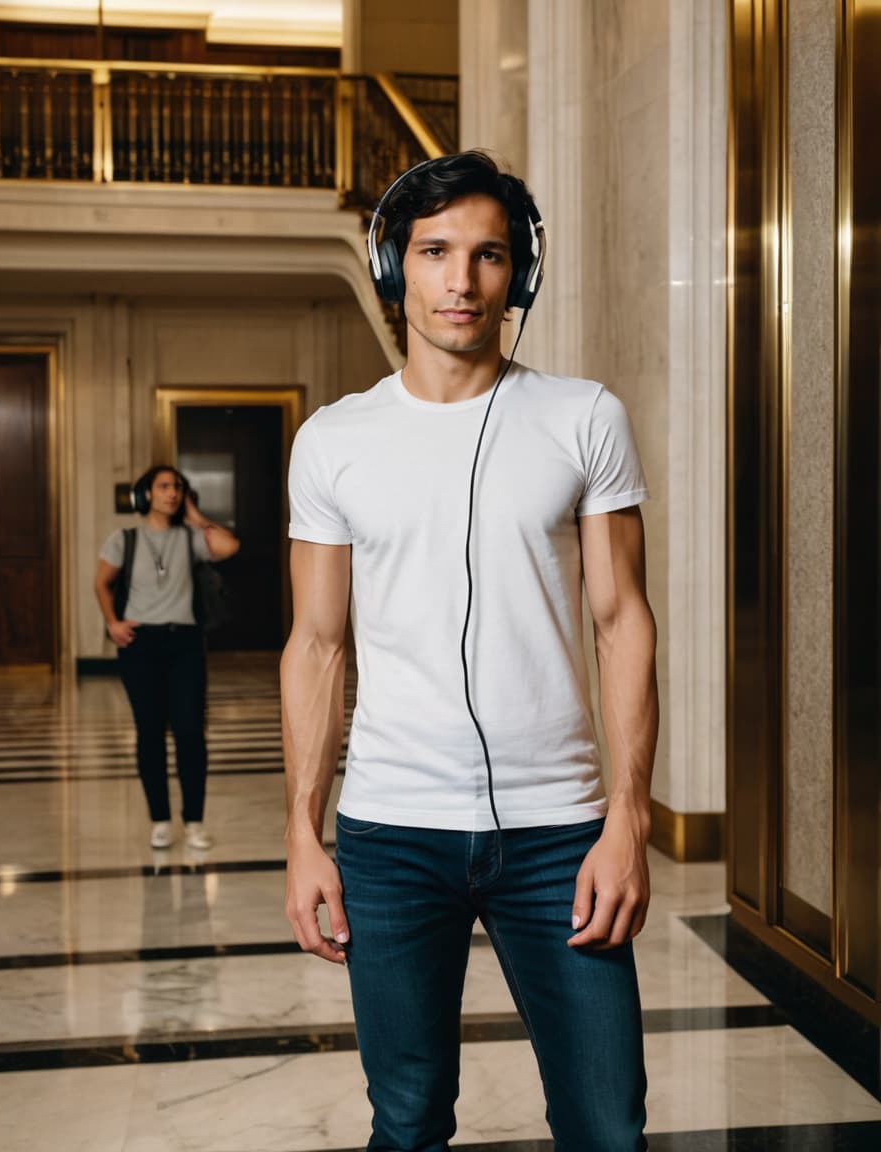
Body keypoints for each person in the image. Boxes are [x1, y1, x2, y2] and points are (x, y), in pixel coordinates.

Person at [280, 150, 657, 1151]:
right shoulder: (333, 439)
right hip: (390, 835)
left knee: (607, 1124)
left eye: (488, 255)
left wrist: (625, 823)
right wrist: (302, 833)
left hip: (558, 834)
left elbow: (621, 620)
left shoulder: (583, 417)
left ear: (517, 275)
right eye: (435, 251)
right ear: (392, 265)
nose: (461, 280)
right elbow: (315, 645)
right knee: (404, 1122)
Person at [95, 465, 239, 850]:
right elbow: (102, 582)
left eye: (177, 487)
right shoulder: (124, 539)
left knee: (191, 733)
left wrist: (194, 516)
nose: (171, 493)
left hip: (185, 644)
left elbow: (229, 546)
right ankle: (159, 819)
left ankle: (193, 821)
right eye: (163, 487)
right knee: (150, 733)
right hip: (140, 645)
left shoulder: (190, 538)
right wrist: (113, 622)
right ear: (145, 495)